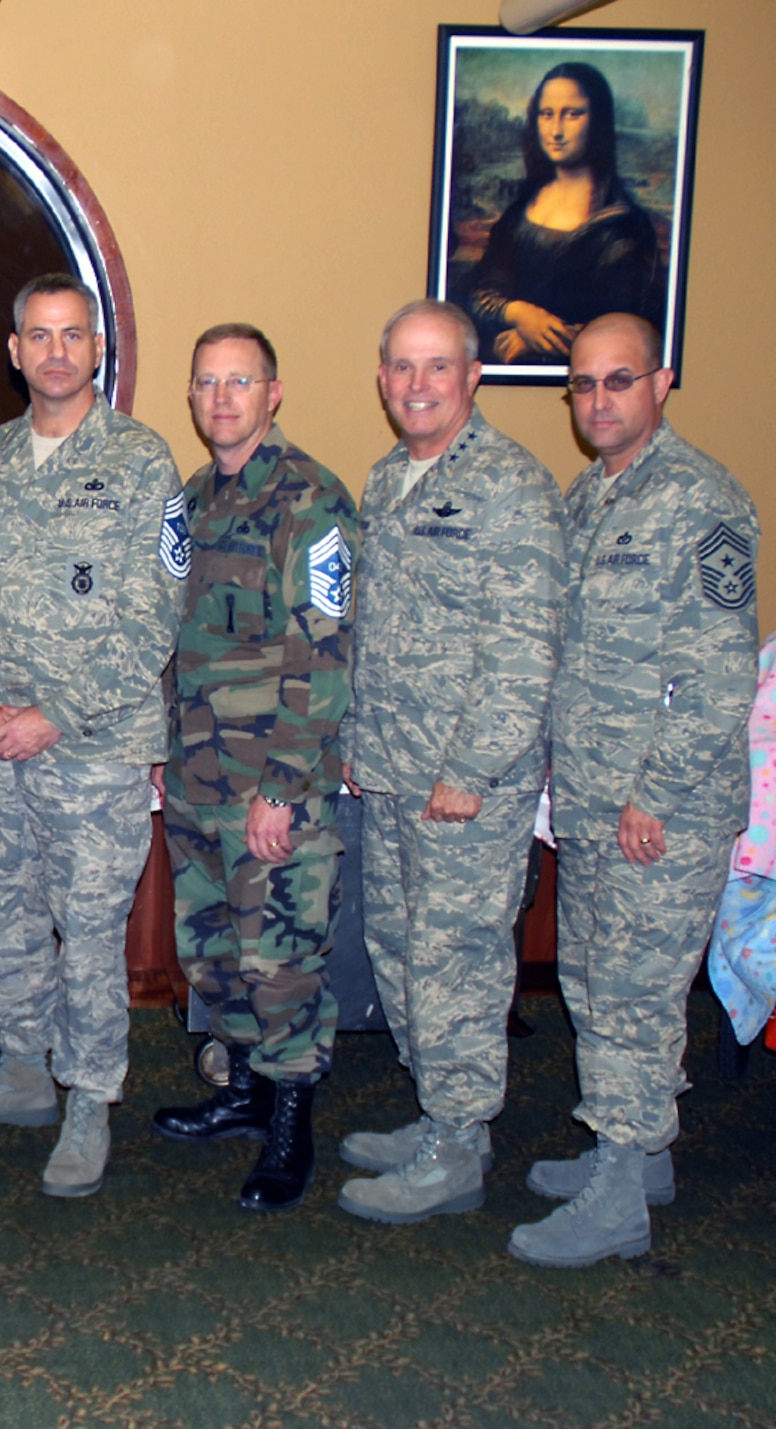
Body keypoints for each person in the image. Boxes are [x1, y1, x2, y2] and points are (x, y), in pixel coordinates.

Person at [0, 274, 185, 1197]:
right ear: (14, 349)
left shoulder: (143, 461)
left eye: (73, 335)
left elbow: (155, 618)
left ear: (97, 349)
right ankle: (24, 1068)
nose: (57, 351)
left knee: (89, 931)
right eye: (39, 335)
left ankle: (87, 1097)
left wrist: (55, 714)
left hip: (94, 750)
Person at [510, 313, 759, 1267]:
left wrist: (655, 791)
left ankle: (619, 1197)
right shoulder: (589, 497)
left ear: (661, 382)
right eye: (584, 383)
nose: (599, 399)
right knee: (589, 978)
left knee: (635, 993)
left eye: (619, 380)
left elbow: (718, 672)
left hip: (664, 807)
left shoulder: (701, 501)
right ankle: (640, 1151)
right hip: (593, 796)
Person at [336, 300, 567, 1225]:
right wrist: (358, 744)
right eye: (401, 366)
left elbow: (525, 647)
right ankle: (439, 1110)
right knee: (399, 949)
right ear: (383, 377)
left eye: (438, 366)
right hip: (393, 770)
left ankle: (460, 1144)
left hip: (466, 783)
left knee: (458, 960)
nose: (417, 384)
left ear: (473, 377)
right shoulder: (389, 478)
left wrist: (470, 769)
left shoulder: (511, 485)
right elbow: (372, 630)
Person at [149, 323, 357, 1213]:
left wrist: (283, 784)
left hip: (273, 787)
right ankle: (241, 1093)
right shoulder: (192, 500)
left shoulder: (313, 501)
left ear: (273, 393)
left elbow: (326, 651)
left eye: (240, 382)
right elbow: (172, 639)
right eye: (207, 383)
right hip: (198, 778)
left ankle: (289, 1123)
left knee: (281, 961)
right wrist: (167, 750)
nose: (222, 398)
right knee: (216, 957)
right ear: (192, 398)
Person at [464, 62, 663, 365]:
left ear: (597, 120)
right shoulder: (521, 210)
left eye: (572, 114)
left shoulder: (624, 226)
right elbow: (478, 293)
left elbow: (625, 329)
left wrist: (540, 341)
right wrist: (520, 313)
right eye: (547, 114)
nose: (556, 131)